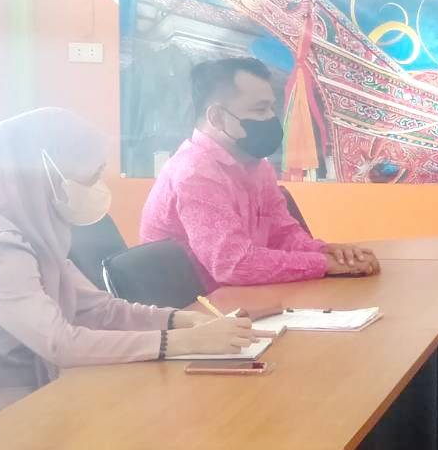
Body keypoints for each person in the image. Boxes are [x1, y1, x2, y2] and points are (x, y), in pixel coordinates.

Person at [0, 109, 253, 416]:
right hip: (4, 417)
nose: (97, 185)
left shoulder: (39, 232)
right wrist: (182, 341)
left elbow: (99, 310)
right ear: (45, 174)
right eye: (90, 175)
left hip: (45, 394)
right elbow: (59, 343)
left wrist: (179, 319)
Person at [140, 58, 378, 291]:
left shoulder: (256, 165)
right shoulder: (194, 173)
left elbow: (282, 235)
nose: (271, 118)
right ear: (217, 117)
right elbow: (233, 265)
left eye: (271, 108)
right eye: (260, 109)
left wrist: (327, 252)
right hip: (194, 307)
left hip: (241, 297)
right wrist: (324, 265)